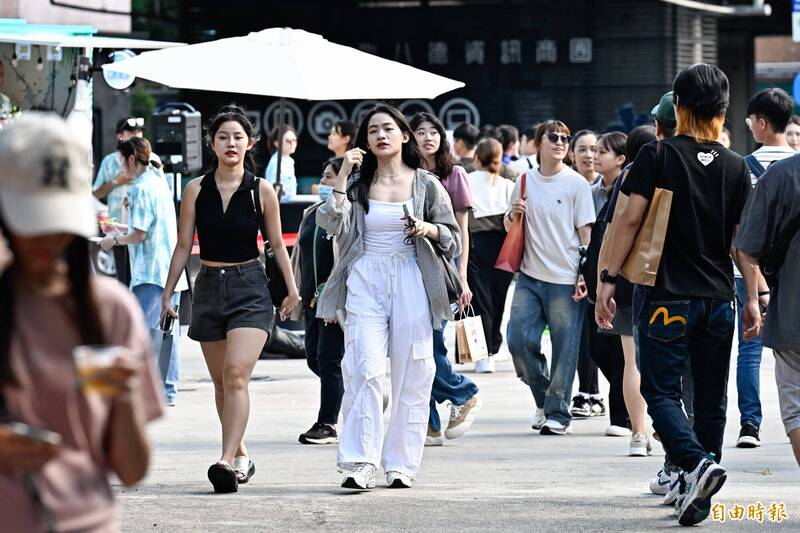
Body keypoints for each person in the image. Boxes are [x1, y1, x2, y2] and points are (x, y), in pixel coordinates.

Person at [596, 64, 751, 526]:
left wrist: (608, 279)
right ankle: (697, 489)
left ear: (679, 106)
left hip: (667, 296)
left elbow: (626, 221)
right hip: (720, 299)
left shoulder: (658, 157)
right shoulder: (736, 166)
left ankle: (696, 464)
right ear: (723, 111)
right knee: (710, 397)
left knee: (658, 391)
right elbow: (742, 243)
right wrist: (754, 298)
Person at [0, 113, 163, 532]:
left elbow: (130, 471)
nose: (45, 238)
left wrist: (124, 396)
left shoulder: (111, 310)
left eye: (56, 221)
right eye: (31, 220)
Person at [315, 104, 461, 490]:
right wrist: (344, 174)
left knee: (414, 371)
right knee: (364, 366)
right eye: (373, 130)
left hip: (412, 276)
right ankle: (360, 461)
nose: (381, 135)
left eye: (388, 128)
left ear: (404, 136)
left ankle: (401, 463)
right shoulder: (358, 184)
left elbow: (453, 238)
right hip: (365, 275)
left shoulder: (427, 184)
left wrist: (428, 228)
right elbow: (328, 222)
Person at [161, 105, 301, 493]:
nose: (231, 143)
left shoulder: (261, 190)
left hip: (250, 287)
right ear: (211, 143)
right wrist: (168, 292)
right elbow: (182, 245)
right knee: (222, 383)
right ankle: (240, 455)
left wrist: (292, 289)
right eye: (223, 137)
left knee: (237, 374)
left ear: (250, 142)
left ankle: (224, 461)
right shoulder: (195, 189)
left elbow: (276, 244)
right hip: (207, 286)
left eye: (238, 137)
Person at [505, 120, 595, 435]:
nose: (559, 142)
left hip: (565, 277)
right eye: (552, 137)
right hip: (528, 276)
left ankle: (558, 413)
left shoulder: (576, 184)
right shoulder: (525, 180)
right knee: (517, 340)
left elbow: (586, 233)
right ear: (538, 142)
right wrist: (512, 215)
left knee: (565, 348)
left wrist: (585, 272)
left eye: (564, 138)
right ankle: (545, 397)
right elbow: (510, 226)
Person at [409, 112, 481, 446]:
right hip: (406, 268)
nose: (427, 137)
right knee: (411, 346)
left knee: (431, 344)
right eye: (420, 131)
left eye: (433, 131)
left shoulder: (454, 175)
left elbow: (461, 233)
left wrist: (462, 278)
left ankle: (462, 391)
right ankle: (431, 424)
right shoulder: (404, 175)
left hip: (440, 269)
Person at [733, 87, 796, 449]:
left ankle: (750, 425)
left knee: (750, 349)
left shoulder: (745, 167)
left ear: (761, 122)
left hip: (751, 271)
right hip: (793, 272)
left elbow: (739, 230)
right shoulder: (796, 167)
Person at [99, 138, 182, 407]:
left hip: (150, 271)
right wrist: (120, 233)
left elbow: (139, 234)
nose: (120, 166)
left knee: (143, 332)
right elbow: (142, 229)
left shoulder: (141, 188)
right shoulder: (159, 182)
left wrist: (113, 240)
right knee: (168, 332)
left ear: (131, 159)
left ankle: (146, 392)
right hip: (169, 269)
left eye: (121, 160)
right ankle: (166, 390)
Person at [594, 132, 652, 456]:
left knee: (632, 360)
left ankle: (639, 435)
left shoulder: (628, 177)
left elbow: (613, 230)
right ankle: (663, 427)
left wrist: (605, 279)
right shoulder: (674, 167)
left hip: (628, 277)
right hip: (667, 279)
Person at [293, 157, 345, 445]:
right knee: (313, 357)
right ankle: (357, 390)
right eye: (324, 177)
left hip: (335, 300)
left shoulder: (347, 213)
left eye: (329, 178)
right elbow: (299, 256)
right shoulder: (311, 213)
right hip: (310, 299)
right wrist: (294, 291)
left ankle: (327, 423)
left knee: (328, 357)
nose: (322, 183)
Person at [466, 138, 515, 374]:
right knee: (498, 299)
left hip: (475, 246)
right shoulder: (507, 184)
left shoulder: (466, 180)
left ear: (477, 158)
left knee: (479, 302)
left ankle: (482, 355)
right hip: (504, 246)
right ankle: (494, 347)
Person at [567, 129, 603, 418]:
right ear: (572, 154)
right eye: (583, 149)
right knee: (581, 335)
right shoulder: (568, 186)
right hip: (573, 272)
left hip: (603, 273)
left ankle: (597, 392)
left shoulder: (610, 187)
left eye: (595, 149)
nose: (589, 155)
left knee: (603, 337)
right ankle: (586, 392)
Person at [92, 117, 146, 286]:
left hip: (141, 229)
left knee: (140, 279)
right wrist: (116, 182)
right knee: (123, 279)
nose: (135, 136)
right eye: (131, 133)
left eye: (138, 132)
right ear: (120, 136)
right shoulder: (110, 161)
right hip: (119, 227)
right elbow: (96, 193)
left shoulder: (149, 160)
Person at [265, 125, 299, 199]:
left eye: (294, 140)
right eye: (288, 141)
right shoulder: (276, 162)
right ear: (277, 143)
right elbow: (273, 191)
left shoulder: (289, 161)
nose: (292, 144)